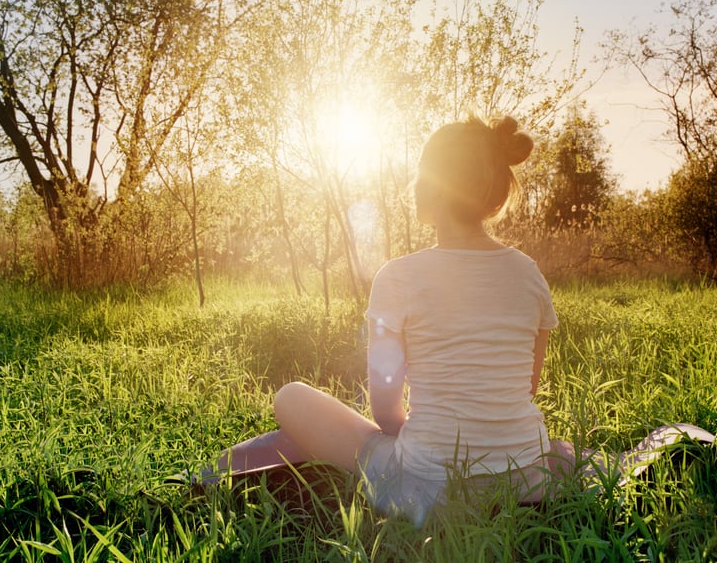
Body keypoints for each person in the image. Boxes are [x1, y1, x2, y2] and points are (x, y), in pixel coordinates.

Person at [212, 115, 559, 526]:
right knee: (554, 451)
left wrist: (423, 435)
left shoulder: (398, 276)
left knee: (291, 397)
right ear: (496, 196)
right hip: (525, 477)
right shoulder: (529, 273)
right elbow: (528, 386)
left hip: (427, 485)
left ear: (429, 189)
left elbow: (385, 410)